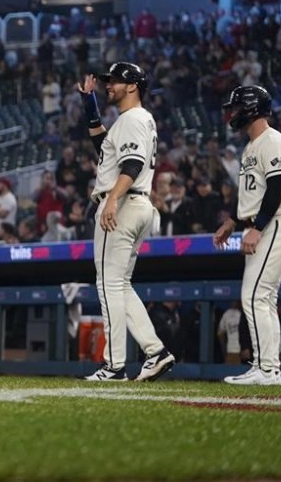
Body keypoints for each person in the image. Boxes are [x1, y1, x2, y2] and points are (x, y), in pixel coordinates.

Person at [78, 62, 175, 382]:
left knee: (107, 285)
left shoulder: (133, 118)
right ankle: (155, 351)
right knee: (119, 285)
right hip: (137, 203)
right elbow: (104, 150)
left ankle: (114, 365)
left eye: (115, 81)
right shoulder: (133, 121)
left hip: (125, 202)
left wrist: (112, 199)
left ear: (132, 86)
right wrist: (89, 104)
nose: (109, 85)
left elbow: (131, 164)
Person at [213, 85, 281, 385]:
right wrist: (234, 221)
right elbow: (255, 192)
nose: (232, 113)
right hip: (262, 223)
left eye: (236, 108)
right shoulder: (251, 146)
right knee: (261, 297)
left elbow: (276, 189)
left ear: (251, 108)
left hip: (273, 223)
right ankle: (268, 368)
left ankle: (267, 369)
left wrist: (258, 227)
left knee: (254, 296)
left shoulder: (272, 140)